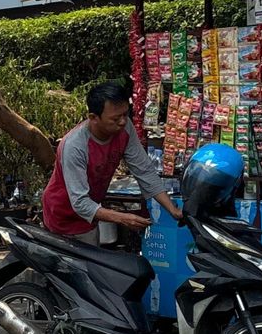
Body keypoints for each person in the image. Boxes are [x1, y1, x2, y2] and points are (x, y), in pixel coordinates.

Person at [42, 83, 181, 246]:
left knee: (92, 265)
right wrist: (122, 218)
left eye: (125, 114)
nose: (122, 122)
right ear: (94, 117)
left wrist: (172, 209)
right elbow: (80, 203)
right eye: (115, 119)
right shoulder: (74, 146)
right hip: (63, 216)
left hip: (90, 215)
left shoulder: (125, 128)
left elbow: (144, 171)